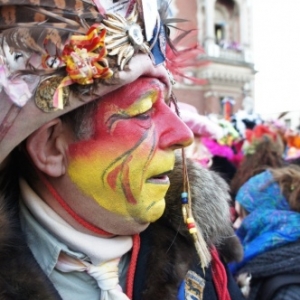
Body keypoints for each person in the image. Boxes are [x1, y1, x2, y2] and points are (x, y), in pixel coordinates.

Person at [0, 1, 245, 299]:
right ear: (52, 147)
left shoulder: (202, 256)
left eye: (167, 106)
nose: (183, 134)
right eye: (143, 111)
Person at [230, 165, 300, 300]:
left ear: (265, 220)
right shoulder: (268, 258)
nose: (236, 224)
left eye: (243, 216)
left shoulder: (286, 289)